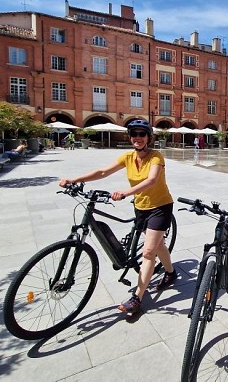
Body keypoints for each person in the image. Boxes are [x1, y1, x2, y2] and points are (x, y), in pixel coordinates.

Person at [59, 120, 177, 314]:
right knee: (158, 244)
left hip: (160, 207)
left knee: (148, 252)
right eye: (134, 134)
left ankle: (137, 298)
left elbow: (152, 180)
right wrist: (75, 179)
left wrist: (125, 192)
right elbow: (103, 171)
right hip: (141, 207)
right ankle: (171, 273)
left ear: (149, 137)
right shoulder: (128, 157)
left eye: (142, 134)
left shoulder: (156, 157)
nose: (137, 138)